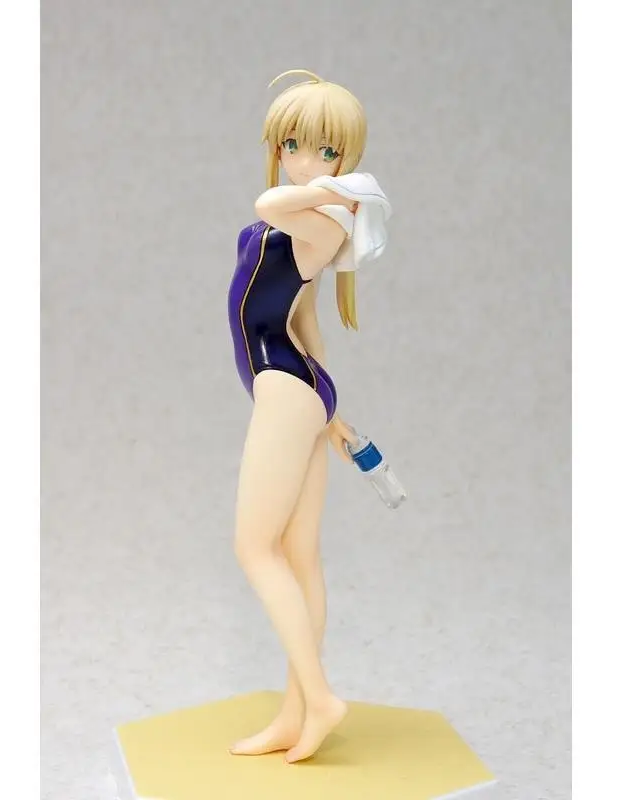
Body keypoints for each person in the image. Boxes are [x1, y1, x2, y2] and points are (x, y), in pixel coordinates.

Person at [226, 69, 391, 763]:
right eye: (293, 145)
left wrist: (337, 190)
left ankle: (319, 697)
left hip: (283, 385)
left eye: (326, 151)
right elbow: (305, 317)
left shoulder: (319, 219)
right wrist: (333, 411)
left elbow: (267, 198)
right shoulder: (312, 215)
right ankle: (294, 717)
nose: (304, 161)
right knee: (297, 554)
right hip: (302, 385)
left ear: (347, 159)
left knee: (254, 548)